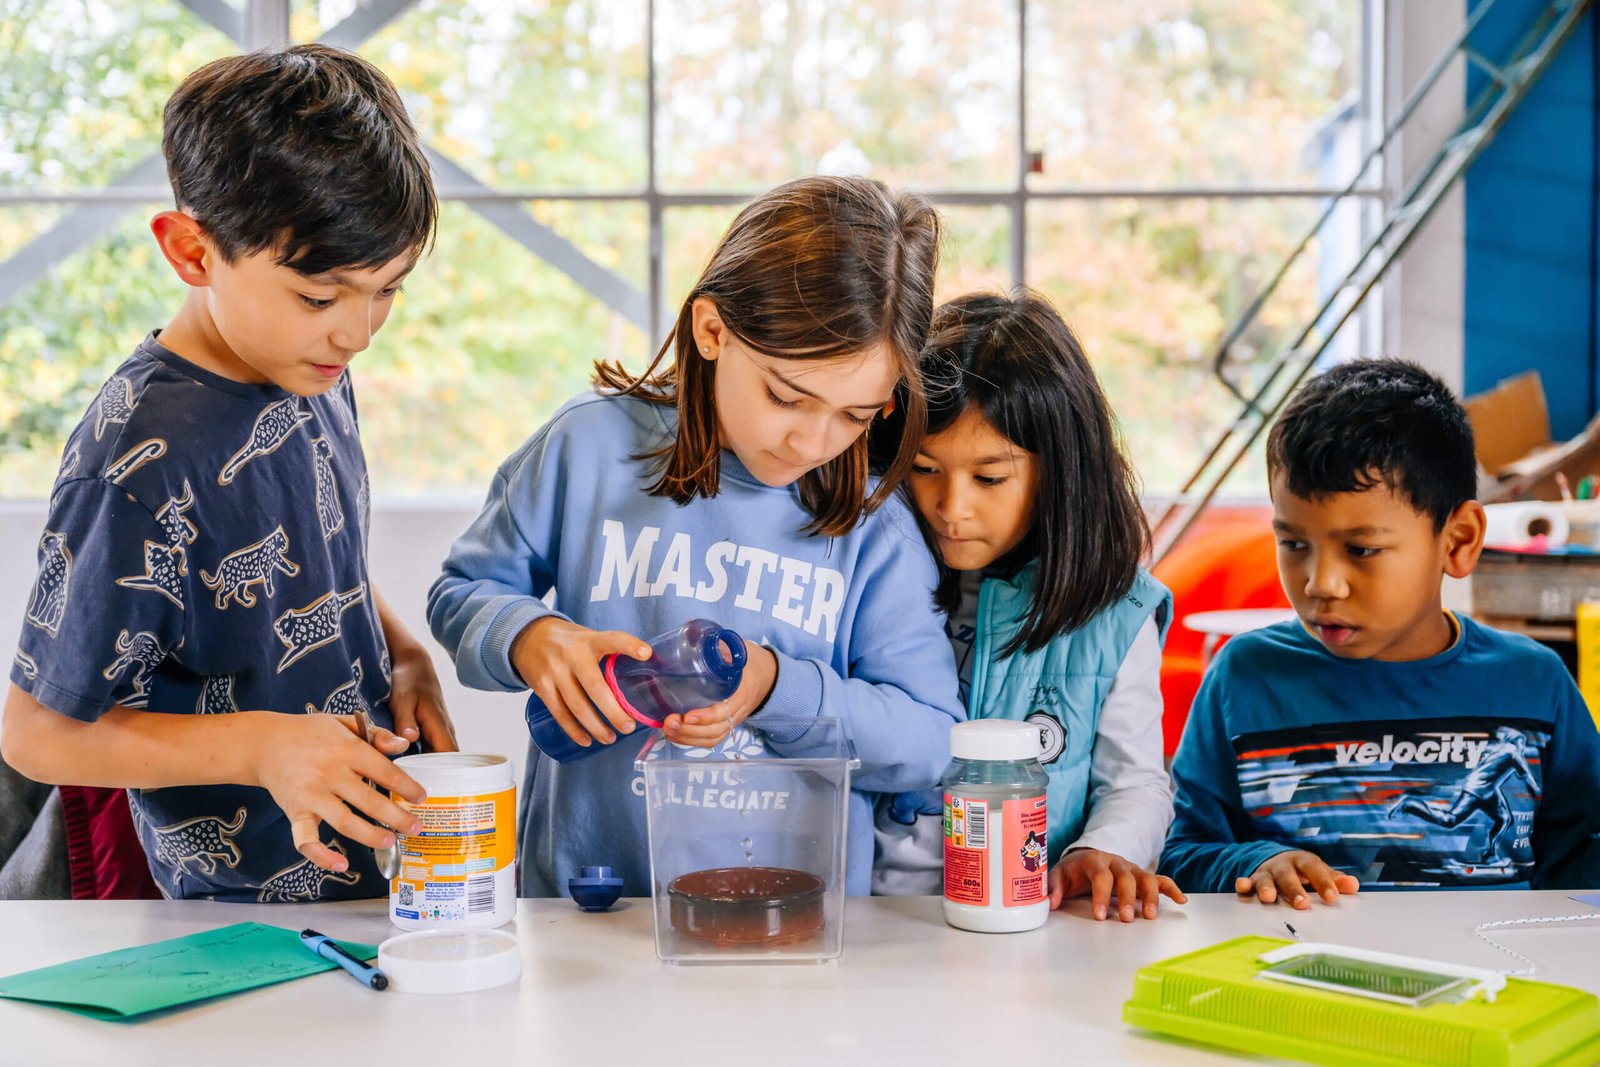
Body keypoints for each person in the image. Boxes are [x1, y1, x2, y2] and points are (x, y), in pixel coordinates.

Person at [1, 44, 456, 902]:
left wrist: (403, 654)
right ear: (192, 251)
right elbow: (35, 735)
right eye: (322, 297)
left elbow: (316, 552)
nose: (359, 332)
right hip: (232, 926)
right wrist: (261, 746)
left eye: (388, 289)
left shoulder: (308, 365)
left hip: (364, 889)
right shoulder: (134, 467)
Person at [428, 175, 964, 897]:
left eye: (856, 416)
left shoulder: (875, 526)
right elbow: (462, 591)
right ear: (712, 331)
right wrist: (530, 637)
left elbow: (932, 742)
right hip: (590, 911)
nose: (813, 440)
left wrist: (776, 684)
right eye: (786, 395)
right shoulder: (589, 446)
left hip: (797, 927)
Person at [1161, 359, 1600, 904]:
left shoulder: (1534, 684)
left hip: (1496, 983)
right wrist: (1256, 861)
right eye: (1294, 544)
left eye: (1361, 549)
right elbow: (1182, 856)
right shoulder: (1245, 679)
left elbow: (1581, 859)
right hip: (1301, 981)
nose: (1322, 584)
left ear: (1458, 541)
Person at [871, 291, 1184, 922]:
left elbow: (1136, 783)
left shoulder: (1115, 612)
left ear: (1061, 473)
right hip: (871, 914)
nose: (950, 508)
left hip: (1029, 919)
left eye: (989, 478)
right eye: (925, 468)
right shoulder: (870, 576)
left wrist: (1104, 850)